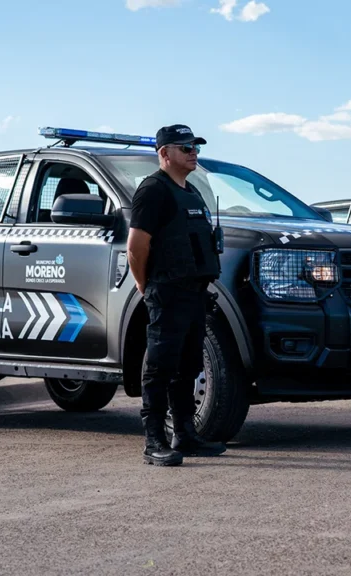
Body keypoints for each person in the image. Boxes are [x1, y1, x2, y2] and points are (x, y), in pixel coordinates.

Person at [127, 124, 227, 466]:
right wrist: (145, 285)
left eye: (195, 146)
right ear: (164, 153)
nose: (193, 152)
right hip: (167, 290)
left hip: (195, 292)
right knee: (160, 367)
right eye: (185, 147)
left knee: (188, 366)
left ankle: (184, 434)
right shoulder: (153, 190)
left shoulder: (192, 191)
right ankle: (153, 441)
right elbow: (136, 246)